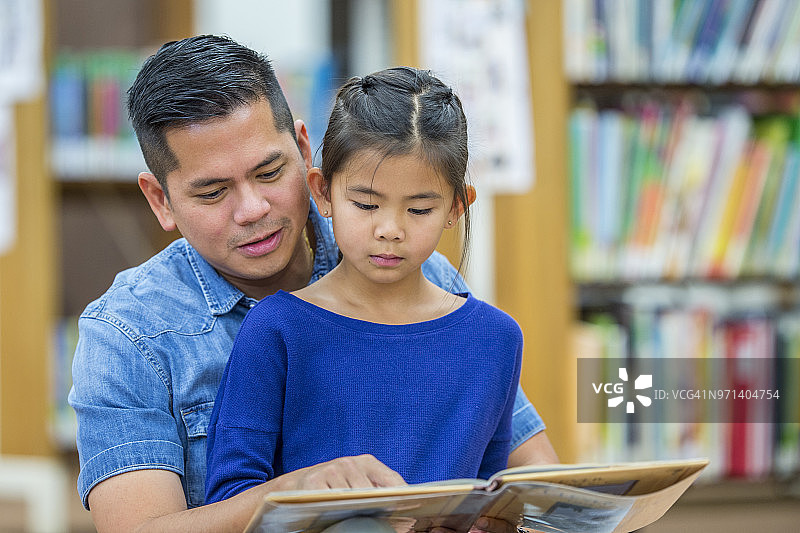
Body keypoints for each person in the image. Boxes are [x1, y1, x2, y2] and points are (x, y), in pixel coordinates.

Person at [68, 35, 557, 533]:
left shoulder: (417, 274)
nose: (253, 209)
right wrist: (293, 494)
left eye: (270, 171)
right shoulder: (127, 332)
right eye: (213, 192)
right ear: (161, 201)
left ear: (305, 152)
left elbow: (534, 480)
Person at [206, 66, 523, 503]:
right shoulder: (275, 329)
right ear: (322, 193)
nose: (390, 229)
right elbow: (229, 498)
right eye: (366, 204)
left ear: (456, 207)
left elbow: (490, 497)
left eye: (419, 210)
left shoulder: (497, 339)